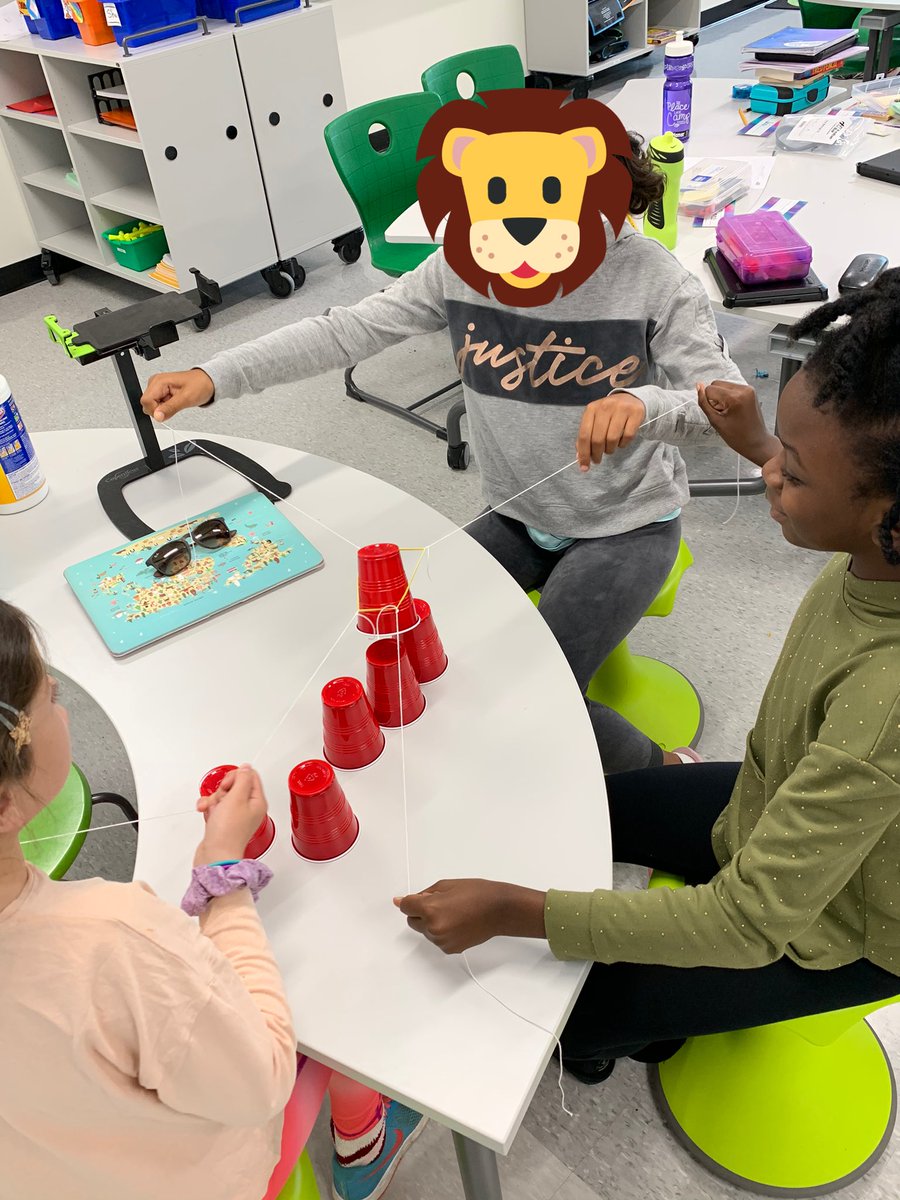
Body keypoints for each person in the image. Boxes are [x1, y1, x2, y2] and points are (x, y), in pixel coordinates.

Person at [393, 270, 900, 1080]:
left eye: (793, 474)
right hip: (771, 800)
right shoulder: (875, 556)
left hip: (841, 926)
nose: (770, 475)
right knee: (582, 810)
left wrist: (513, 912)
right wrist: (754, 438)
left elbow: (751, 924)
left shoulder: (885, 701)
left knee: (568, 1015)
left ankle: (635, 1033)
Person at [139, 131, 745, 774]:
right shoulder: (465, 263)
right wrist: (216, 375)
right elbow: (348, 328)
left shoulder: (654, 278)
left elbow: (723, 407)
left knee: (540, 687)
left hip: (625, 528)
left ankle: (669, 774)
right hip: (519, 515)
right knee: (406, 638)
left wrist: (647, 405)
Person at [0, 600, 423, 1200]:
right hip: (200, 1177)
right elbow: (263, 1074)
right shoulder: (111, 939)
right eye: (51, 699)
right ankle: (363, 1145)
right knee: (332, 998)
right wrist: (222, 876)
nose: (56, 696)